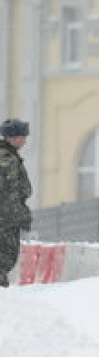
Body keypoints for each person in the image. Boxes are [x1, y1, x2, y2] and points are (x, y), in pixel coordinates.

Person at [0, 118, 32, 286]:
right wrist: (20, 215)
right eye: (22, 136)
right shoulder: (8, 160)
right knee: (5, 257)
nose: (25, 140)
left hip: (6, 217)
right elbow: (10, 192)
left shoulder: (8, 156)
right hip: (5, 219)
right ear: (13, 137)